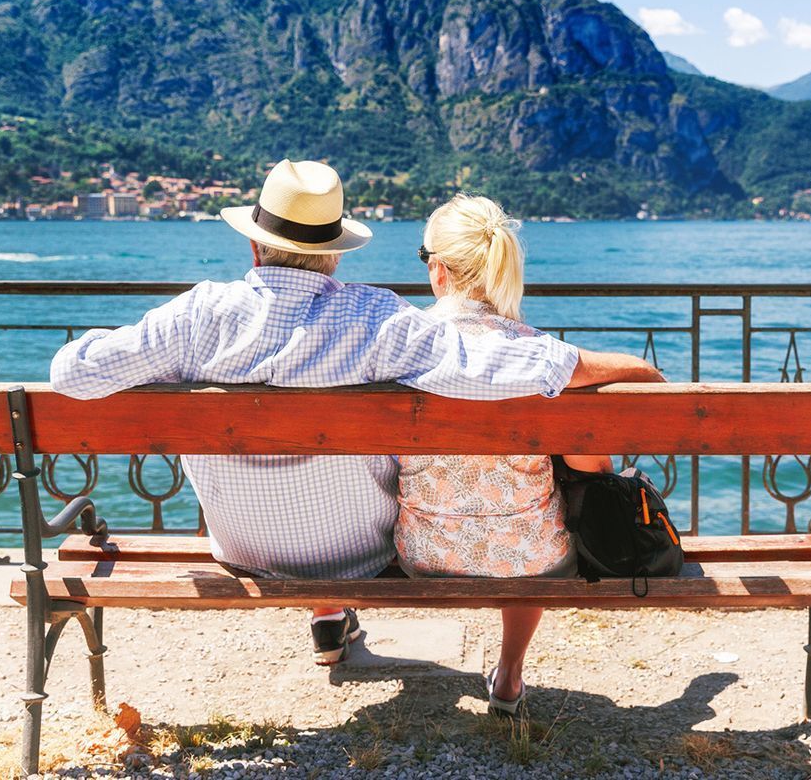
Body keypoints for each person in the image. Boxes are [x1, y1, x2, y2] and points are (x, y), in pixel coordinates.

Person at [49, 158, 660, 668]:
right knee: (373, 478)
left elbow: (70, 373)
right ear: (335, 253)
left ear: (254, 241)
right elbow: (489, 367)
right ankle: (339, 612)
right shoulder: (374, 319)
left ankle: (329, 623)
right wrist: (615, 366)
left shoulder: (195, 315)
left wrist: (147, 342)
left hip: (236, 546)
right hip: (357, 557)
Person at [395, 193, 665, 715]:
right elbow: (635, 399)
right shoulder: (543, 355)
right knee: (535, 518)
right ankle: (510, 678)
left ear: (440, 270)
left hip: (422, 556)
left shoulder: (397, 344)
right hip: (531, 562)